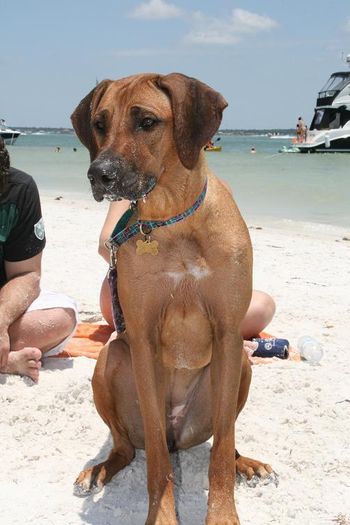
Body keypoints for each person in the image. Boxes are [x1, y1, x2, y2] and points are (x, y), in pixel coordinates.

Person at [98, 199, 276, 353]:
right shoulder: (132, 188)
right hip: (133, 295)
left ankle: (179, 339)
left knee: (263, 306)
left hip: (192, 296)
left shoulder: (216, 189)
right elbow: (107, 246)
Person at [0, 138, 78, 382]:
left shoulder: (17, 189)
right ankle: (5, 360)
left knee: (63, 316)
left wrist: (1, 321)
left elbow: (26, 275)